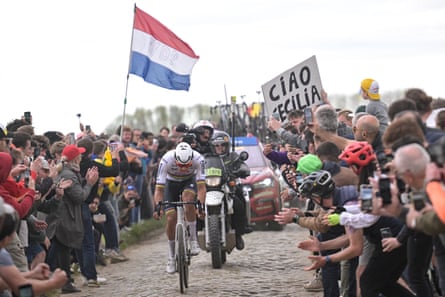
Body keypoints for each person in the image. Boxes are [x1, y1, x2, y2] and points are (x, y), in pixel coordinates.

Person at [45, 144, 99, 293]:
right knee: (59, 250)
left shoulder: (68, 171)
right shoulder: (69, 174)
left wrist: (85, 181)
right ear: (76, 158)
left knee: (61, 250)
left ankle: (65, 281)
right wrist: (89, 183)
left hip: (62, 217)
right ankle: (60, 281)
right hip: (65, 217)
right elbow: (79, 197)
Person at [153, 142, 206, 274]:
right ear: (175, 159)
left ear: (191, 160)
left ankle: (193, 239)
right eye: (180, 165)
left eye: (187, 165)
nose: (183, 168)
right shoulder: (166, 160)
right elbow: (159, 189)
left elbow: (201, 188)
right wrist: (157, 207)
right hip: (170, 184)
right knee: (171, 218)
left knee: (189, 202)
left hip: (189, 181)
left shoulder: (199, 159)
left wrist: (200, 205)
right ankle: (171, 256)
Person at [0, 198, 68, 297]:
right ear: (8, 239)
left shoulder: (2, 254)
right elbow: (22, 291)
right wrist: (53, 283)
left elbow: (7, 283)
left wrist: (31, 274)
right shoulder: (2, 255)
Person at [209, 131, 251, 249]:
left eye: (222, 145)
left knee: (238, 202)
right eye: (217, 145)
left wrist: (241, 170)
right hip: (212, 187)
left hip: (229, 186)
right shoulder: (207, 158)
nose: (220, 148)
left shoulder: (233, 156)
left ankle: (239, 233)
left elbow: (243, 166)